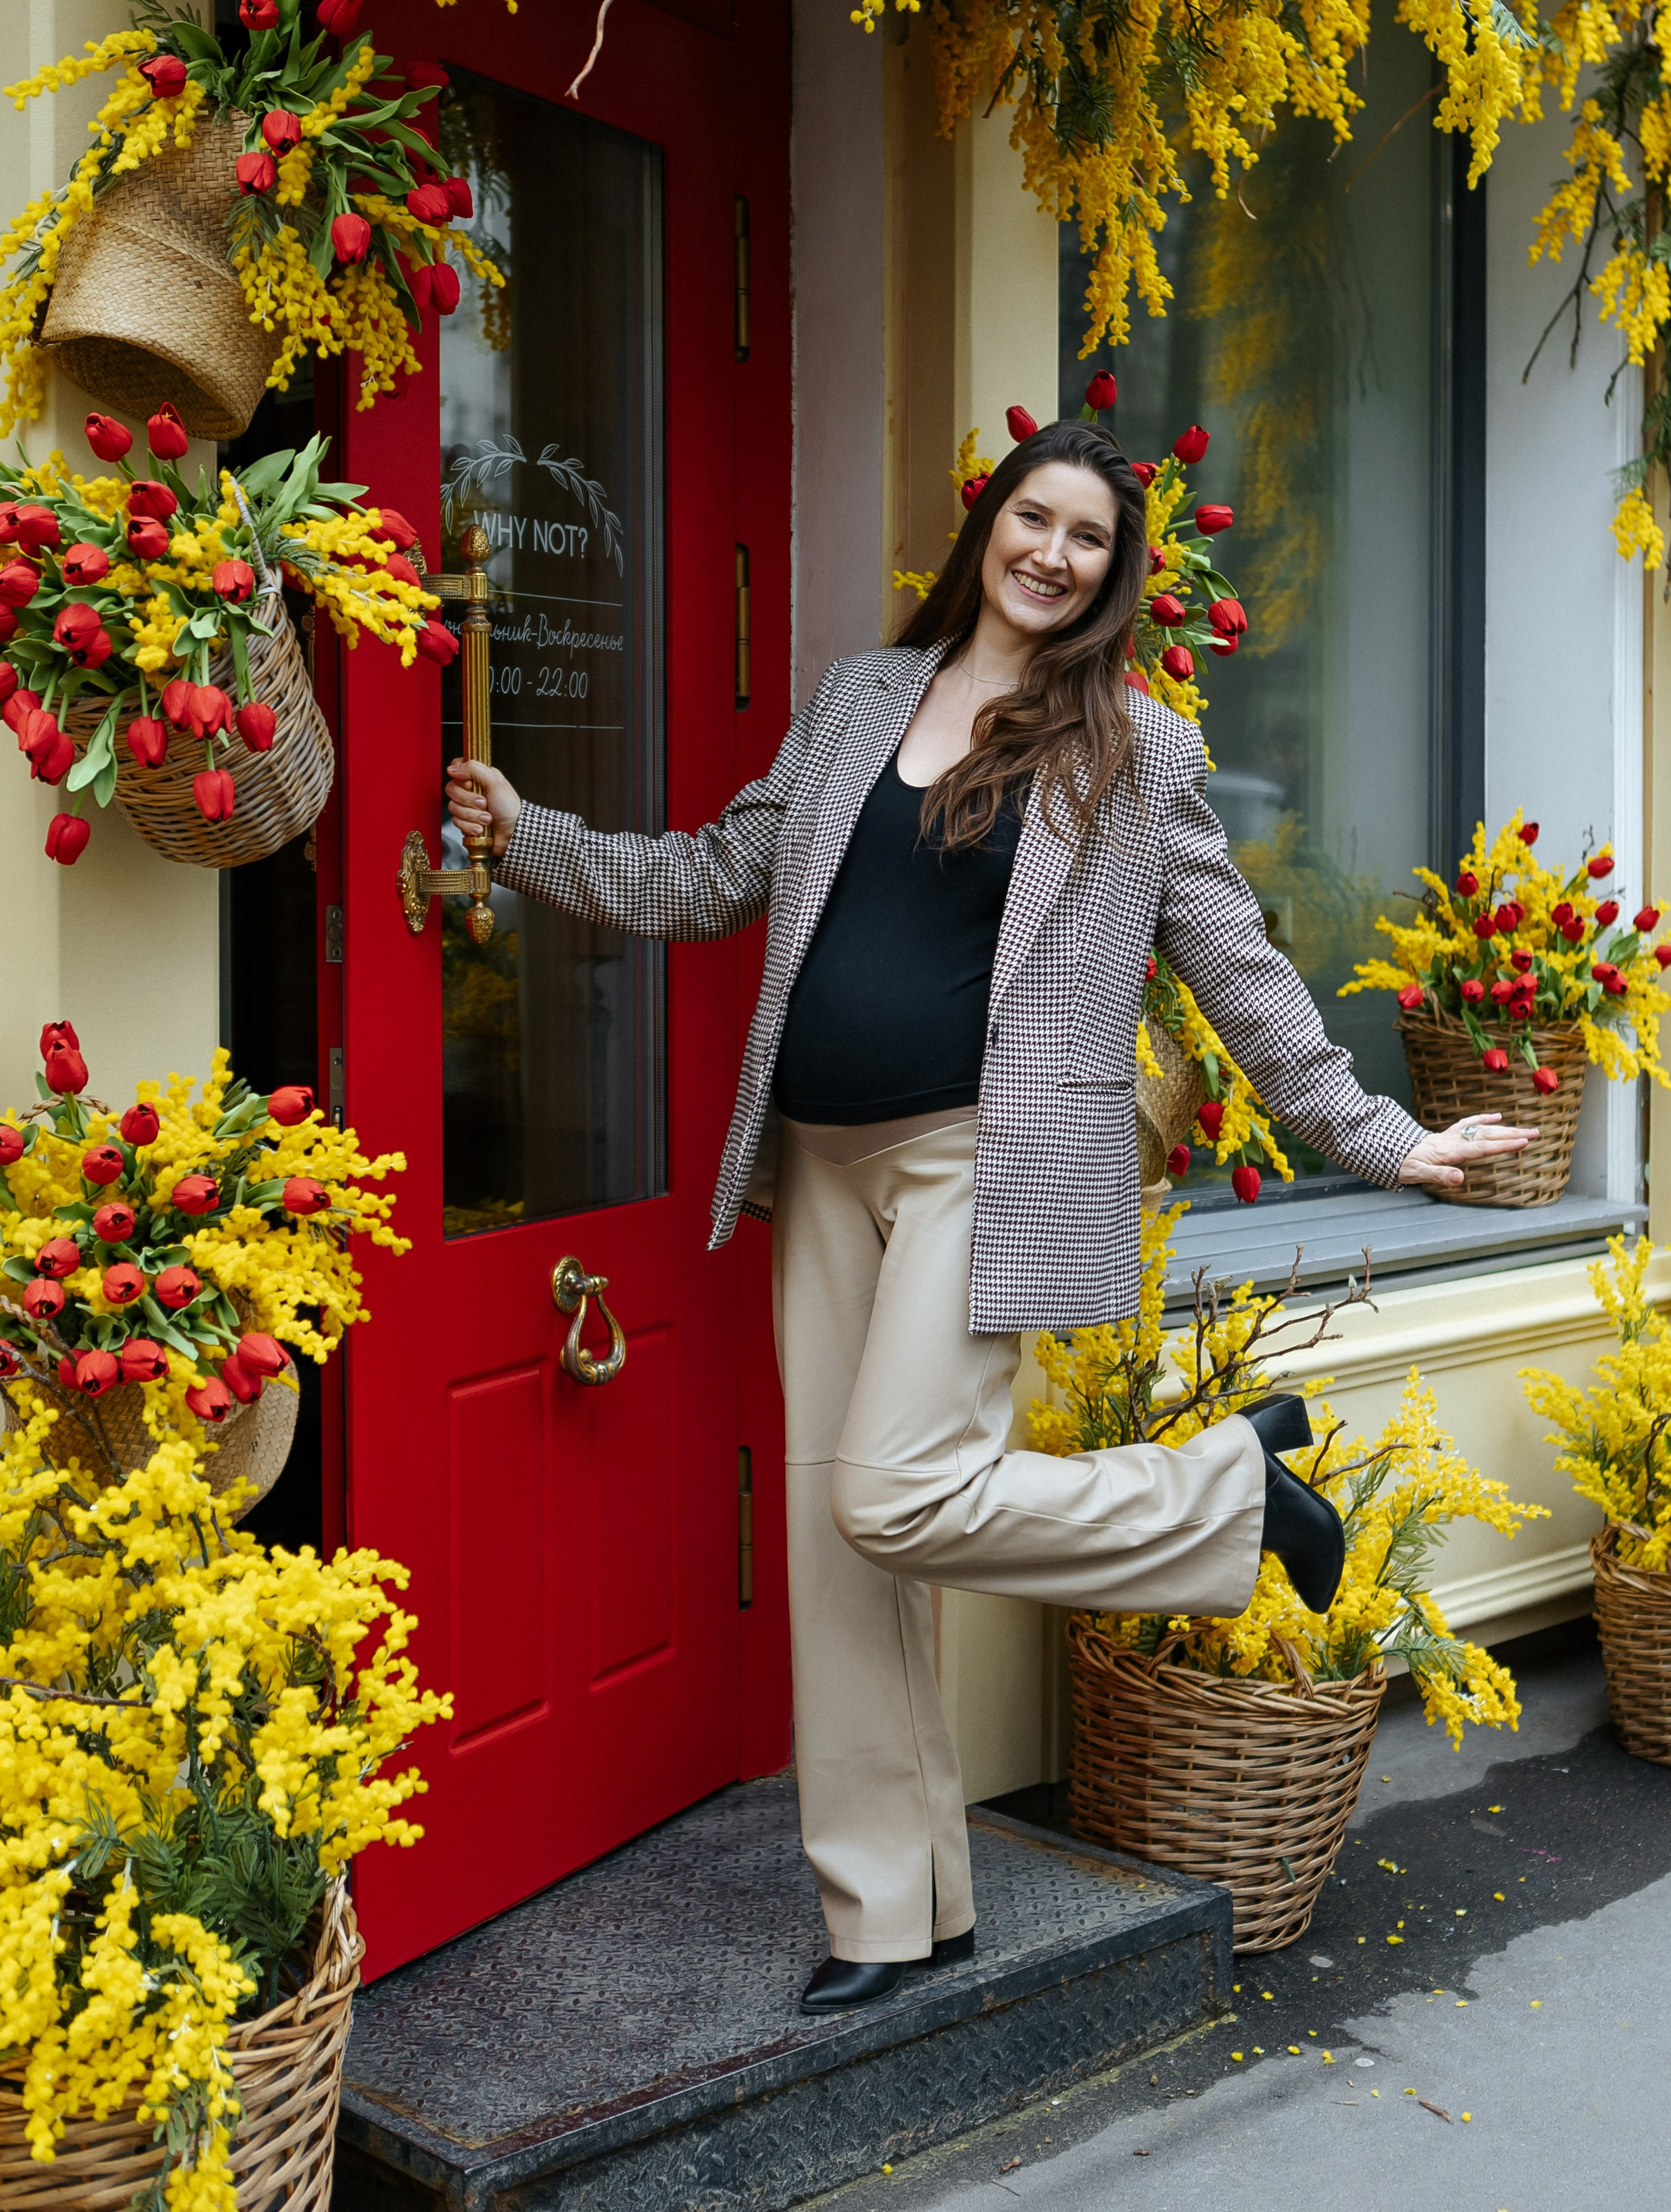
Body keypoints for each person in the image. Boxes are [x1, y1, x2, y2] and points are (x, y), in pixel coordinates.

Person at [445, 420, 1532, 2016]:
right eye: (1035, 518)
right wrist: (521, 835)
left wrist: (1381, 1134)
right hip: (816, 1165)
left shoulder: (1131, 750)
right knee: (847, 1549)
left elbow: (1237, 973)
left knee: (895, 1498)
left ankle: (1228, 1496)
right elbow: (712, 875)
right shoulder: (856, 700)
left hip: (979, 1166)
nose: (1052, 553)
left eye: (1087, 539)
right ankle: (894, 1911)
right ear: (988, 526)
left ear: (1111, 573)